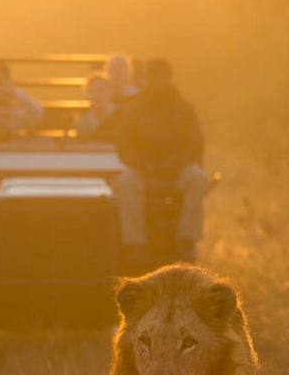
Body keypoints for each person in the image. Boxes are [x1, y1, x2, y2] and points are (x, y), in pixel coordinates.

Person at [114, 58, 209, 262]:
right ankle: (135, 243)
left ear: (170, 78)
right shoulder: (134, 109)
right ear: (146, 80)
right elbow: (124, 145)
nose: (158, 81)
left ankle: (186, 241)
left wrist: (176, 164)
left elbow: (195, 144)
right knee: (124, 183)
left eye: (162, 76)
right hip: (143, 170)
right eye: (153, 76)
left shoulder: (185, 109)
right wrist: (143, 165)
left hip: (177, 169)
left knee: (198, 178)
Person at [73, 72, 122, 140]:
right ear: (87, 95)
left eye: (101, 91)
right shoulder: (81, 124)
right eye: (93, 91)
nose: (97, 95)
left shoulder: (120, 115)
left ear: (109, 93)